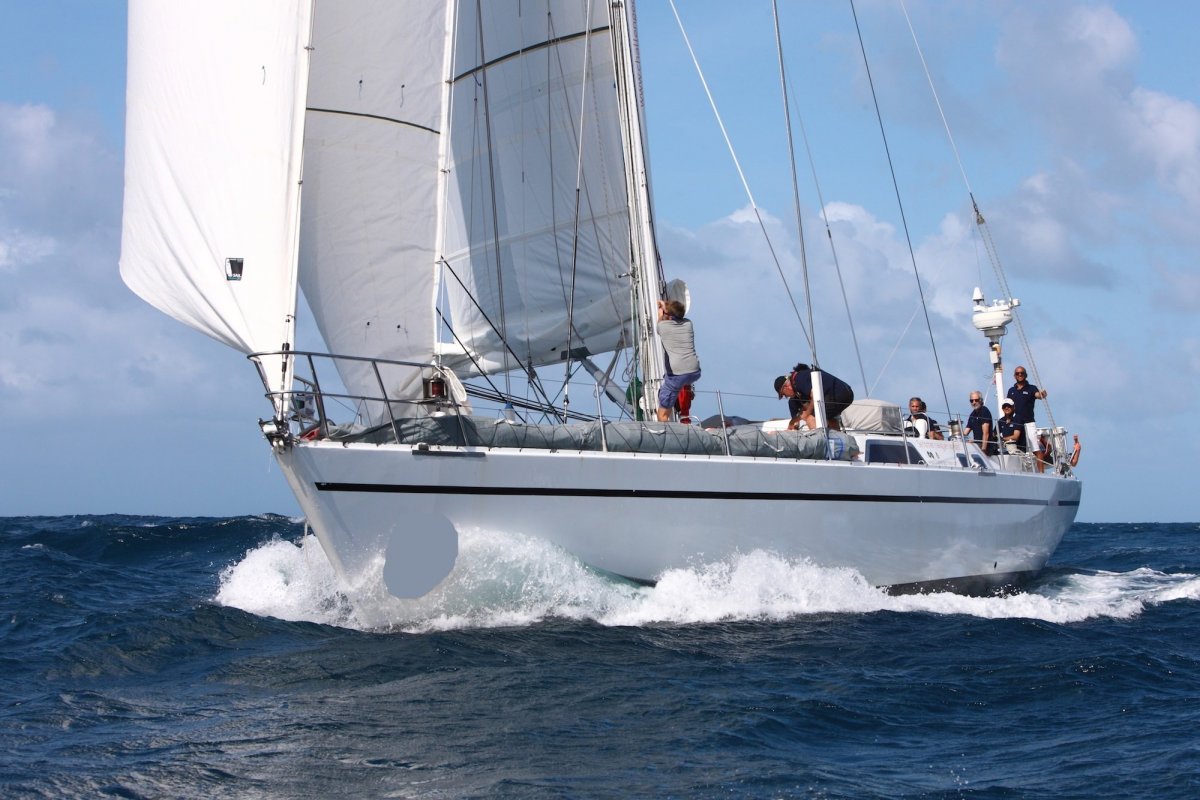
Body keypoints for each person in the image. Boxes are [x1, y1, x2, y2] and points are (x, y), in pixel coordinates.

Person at [655, 298, 700, 423]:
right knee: (679, 387)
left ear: (668, 316)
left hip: (677, 375)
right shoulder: (688, 323)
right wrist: (666, 308)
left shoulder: (662, 326)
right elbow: (674, 316)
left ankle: (667, 435)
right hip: (694, 371)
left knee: (662, 414)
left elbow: (659, 325)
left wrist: (660, 314)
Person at [773, 364, 854, 431]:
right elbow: (796, 423)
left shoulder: (799, 379)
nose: (786, 397)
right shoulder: (794, 400)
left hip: (838, 394)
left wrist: (807, 413)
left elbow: (814, 395)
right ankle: (839, 445)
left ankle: (821, 447)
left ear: (786, 387)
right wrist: (792, 423)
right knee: (830, 419)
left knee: (811, 419)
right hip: (846, 393)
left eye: (783, 394)